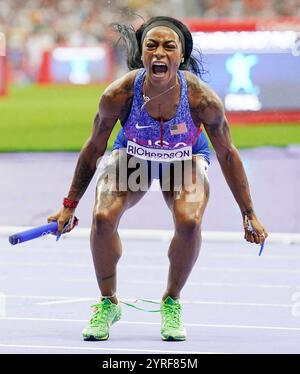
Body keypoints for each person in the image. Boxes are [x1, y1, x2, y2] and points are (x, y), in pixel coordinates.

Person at [48, 16, 268, 342]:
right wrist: (69, 205)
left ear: (180, 56)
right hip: (135, 154)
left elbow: (228, 155)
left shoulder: (202, 101)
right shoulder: (119, 95)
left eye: (169, 46)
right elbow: (94, 147)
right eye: (151, 45)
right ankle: (108, 303)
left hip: (183, 159)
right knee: (102, 216)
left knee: (189, 221)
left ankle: (171, 300)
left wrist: (248, 212)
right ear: (142, 55)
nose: (159, 52)